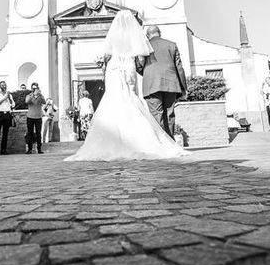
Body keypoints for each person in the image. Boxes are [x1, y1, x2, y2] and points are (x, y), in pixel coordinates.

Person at [66, 11, 188, 161]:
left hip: (114, 68)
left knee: (113, 98)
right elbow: (142, 58)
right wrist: (140, 67)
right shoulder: (134, 35)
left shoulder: (112, 35)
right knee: (130, 96)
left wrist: (104, 64)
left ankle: (112, 141)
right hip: (128, 65)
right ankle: (156, 141)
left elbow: (106, 55)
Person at [136, 25, 187, 138]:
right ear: (160, 33)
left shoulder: (143, 46)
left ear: (147, 35)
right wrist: (183, 88)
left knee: (156, 115)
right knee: (169, 114)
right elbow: (179, 67)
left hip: (151, 84)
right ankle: (171, 142)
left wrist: (147, 73)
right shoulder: (172, 45)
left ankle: (161, 143)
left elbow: (139, 67)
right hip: (171, 83)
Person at [0, 81, 15, 155]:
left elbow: (13, 104)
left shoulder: (9, 94)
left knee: (5, 133)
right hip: (0, 114)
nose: (4, 86)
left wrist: (9, 98)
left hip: (7, 114)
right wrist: (3, 99)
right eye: (2, 85)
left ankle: (3, 149)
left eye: (5, 85)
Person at [25, 82, 45, 154]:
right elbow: (27, 101)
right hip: (30, 116)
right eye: (34, 88)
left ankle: (39, 148)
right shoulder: (29, 95)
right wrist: (33, 95)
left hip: (38, 117)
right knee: (30, 133)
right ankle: (29, 149)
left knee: (38, 133)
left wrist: (40, 94)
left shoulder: (40, 96)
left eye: (36, 88)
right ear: (32, 89)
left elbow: (44, 102)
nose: (35, 89)